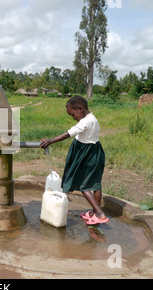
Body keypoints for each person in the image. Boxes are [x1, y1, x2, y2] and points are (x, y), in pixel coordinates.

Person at [40, 95, 109, 225]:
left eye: (73, 115)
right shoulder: (93, 119)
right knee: (96, 184)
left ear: (80, 108)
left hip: (85, 154)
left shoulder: (85, 122)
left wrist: (51, 141)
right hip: (96, 153)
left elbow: (69, 133)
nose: (73, 118)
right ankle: (94, 214)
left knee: (84, 186)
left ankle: (100, 214)